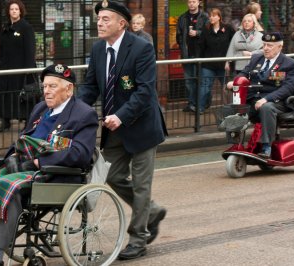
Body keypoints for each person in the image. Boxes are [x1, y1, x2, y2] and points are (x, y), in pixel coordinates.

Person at [0, 64, 99, 266]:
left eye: (52, 86)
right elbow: (24, 138)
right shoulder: (40, 108)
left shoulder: (83, 114)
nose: (46, 91)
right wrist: (9, 158)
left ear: (68, 89)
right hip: (27, 167)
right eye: (44, 86)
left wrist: (41, 161)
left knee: (8, 186)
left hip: (54, 174)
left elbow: (80, 154)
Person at [77, 0, 168, 260]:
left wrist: (121, 115)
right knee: (111, 176)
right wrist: (72, 112)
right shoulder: (97, 50)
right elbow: (91, 87)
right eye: (99, 18)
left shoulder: (141, 48)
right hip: (114, 128)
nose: (100, 22)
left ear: (121, 23)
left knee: (141, 186)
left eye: (106, 18)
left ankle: (138, 239)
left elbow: (144, 91)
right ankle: (151, 211)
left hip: (141, 128)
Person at [226, 32, 294, 158]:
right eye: (264, 45)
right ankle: (236, 143)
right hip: (254, 99)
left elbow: (288, 88)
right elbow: (244, 73)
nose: (265, 48)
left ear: (279, 47)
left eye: (269, 45)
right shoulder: (256, 59)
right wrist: (235, 82)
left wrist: (266, 99)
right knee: (235, 109)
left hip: (277, 102)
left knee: (266, 107)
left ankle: (266, 146)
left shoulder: (288, 63)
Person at [0, 0, 38, 132]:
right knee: (1, 93)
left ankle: (27, 122)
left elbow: (30, 49)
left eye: (16, 9)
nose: (14, 11)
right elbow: (1, 48)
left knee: (24, 96)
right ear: (8, 11)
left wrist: (28, 70)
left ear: (20, 11)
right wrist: (0, 62)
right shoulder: (6, 28)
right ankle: (5, 120)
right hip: (6, 70)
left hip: (22, 70)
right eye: (12, 9)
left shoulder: (26, 27)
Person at [198, 7, 235, 113]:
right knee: (205, 86)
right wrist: (200, 61)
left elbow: (233, 44)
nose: (211, 18)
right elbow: (201, 46)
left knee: (227, 87)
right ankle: (200, 108)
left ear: (219, 17)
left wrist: (230, 61)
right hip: (208, 65)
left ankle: (231, 108)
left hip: (224, 65)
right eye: (210, 16)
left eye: (213, 15)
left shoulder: (228, 29)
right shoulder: (206, 30)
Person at [176, 0, 209, 112]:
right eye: (189, 2)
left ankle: (201, 104)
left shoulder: (205, 16)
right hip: (187, 54)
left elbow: (208, 33)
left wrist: (197, 33)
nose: (191, 4)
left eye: (193, 1)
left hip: (199, 55)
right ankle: (191, 103)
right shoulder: (183, 17)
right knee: (188, 81)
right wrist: (182, 46)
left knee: (199, 81)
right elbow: (179, 35)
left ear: (198, 3)